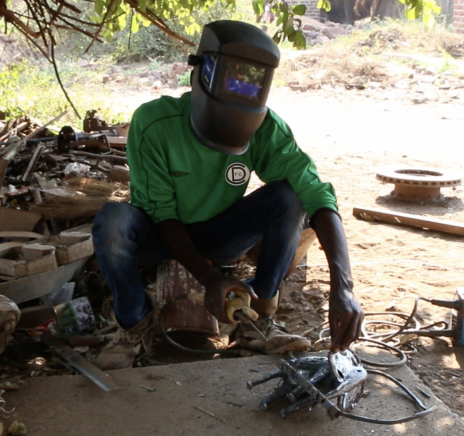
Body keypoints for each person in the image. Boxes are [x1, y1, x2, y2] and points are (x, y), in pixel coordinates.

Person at [92, 20, 364, 370]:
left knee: (290, 197)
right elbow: (160, 214)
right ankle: (134, 323)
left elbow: (317, 196)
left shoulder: (268, 129)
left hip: (219, 233)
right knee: (112, 220)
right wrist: (211, 280)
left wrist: (343, 287)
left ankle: (257, 316)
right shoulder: (154, 123)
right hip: (160, 234)